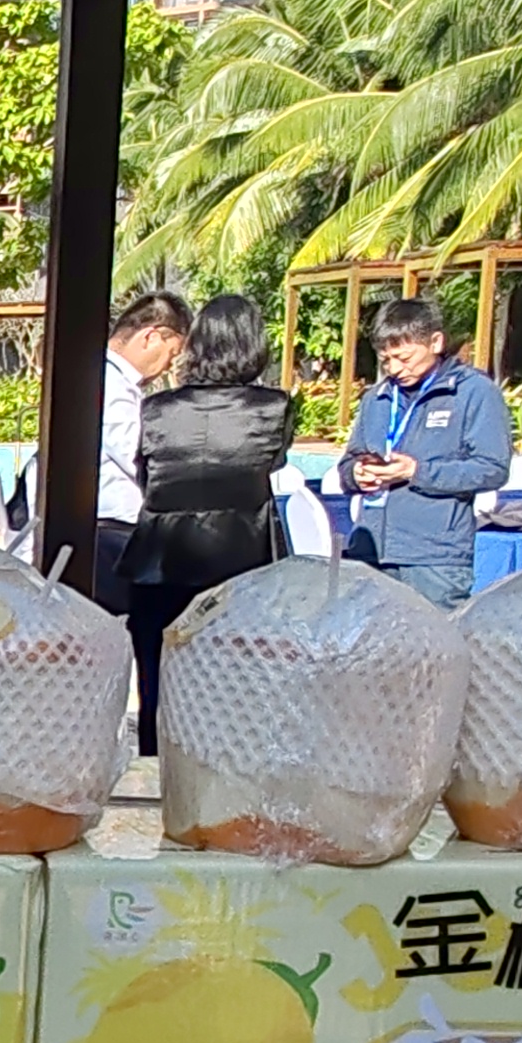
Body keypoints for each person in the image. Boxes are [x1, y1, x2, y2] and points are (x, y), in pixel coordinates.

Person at [123, 292, 298, 740]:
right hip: (242, 562)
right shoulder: (273, 407)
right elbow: (272, 462)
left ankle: (155, 772)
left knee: (159, 694)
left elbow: (147, 476)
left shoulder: (157, 408)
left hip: (160, 562)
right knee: (236, 702)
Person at [338, 295, 512, 606]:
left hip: (434, 558)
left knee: (436, 636)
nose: (394, 369)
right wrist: (356, 473)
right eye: (386, 360)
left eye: (404, 358)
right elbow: (348, 463)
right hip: (371, 549)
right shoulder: (377, 398)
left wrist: (416, 472)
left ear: (435, 342)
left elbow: (492, 469)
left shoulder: (473, 392)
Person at [89, 288, 188, 612]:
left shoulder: (113, 380)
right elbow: (139, 455)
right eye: (171, 354)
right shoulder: (110, 384)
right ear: (151, 337)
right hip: (108, 535)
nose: (168, 366)